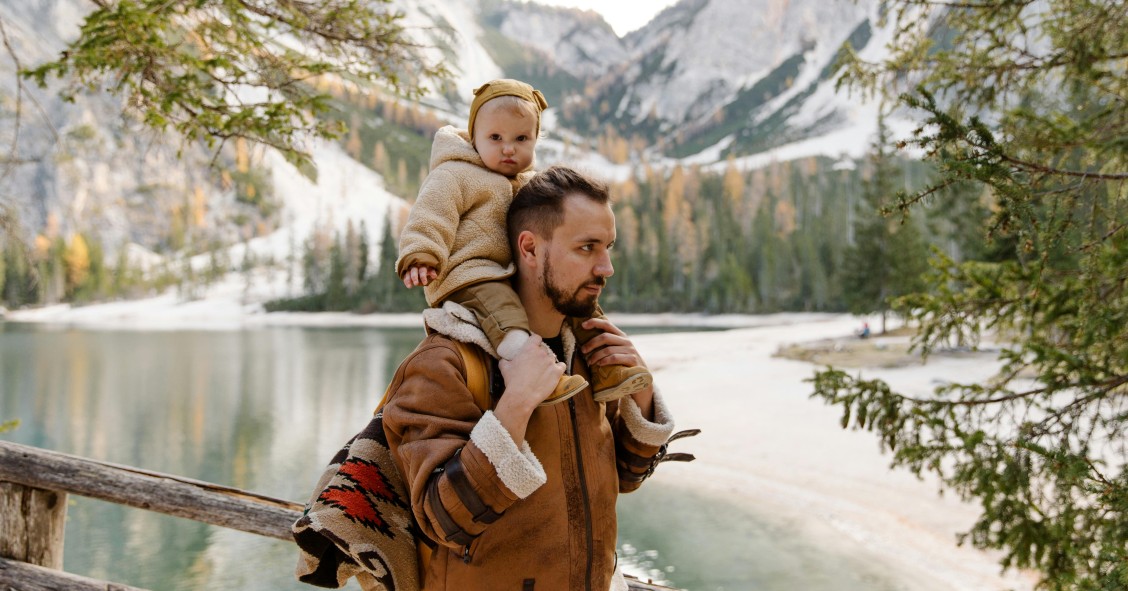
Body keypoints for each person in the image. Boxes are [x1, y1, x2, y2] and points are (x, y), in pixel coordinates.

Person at [382, 166, 676, 590]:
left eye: (608, 247)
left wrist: (641, 392)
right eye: (587, 248)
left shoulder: (590, 354)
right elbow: (442, 519)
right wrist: (516, 403)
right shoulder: (445, 362)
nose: (606, 267)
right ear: (530, 248)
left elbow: (624, 479)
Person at [396, 78, 651, 406]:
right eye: (495, 137)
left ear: (535, 140)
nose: (508, 148)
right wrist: (422, 253)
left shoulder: (530, 186)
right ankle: (528, 368)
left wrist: (644, 400)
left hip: (507, 273)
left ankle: (609, 372)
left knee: (589, 313)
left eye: (521, 138)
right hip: (471, 274)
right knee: (503, 313)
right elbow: (431, 215)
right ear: (473, 137)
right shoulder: (454, 174)